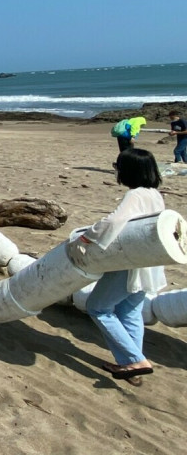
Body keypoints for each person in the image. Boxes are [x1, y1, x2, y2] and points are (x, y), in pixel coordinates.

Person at [78, 148, 165, 386]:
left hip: (131, 263)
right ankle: (130, 367)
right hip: (150, 261)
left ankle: (138, 360)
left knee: (98, 307)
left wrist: (88, 236)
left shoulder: (135, 195)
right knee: (130, 312)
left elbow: (115, 221)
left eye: (118, 167)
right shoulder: (154, 194)